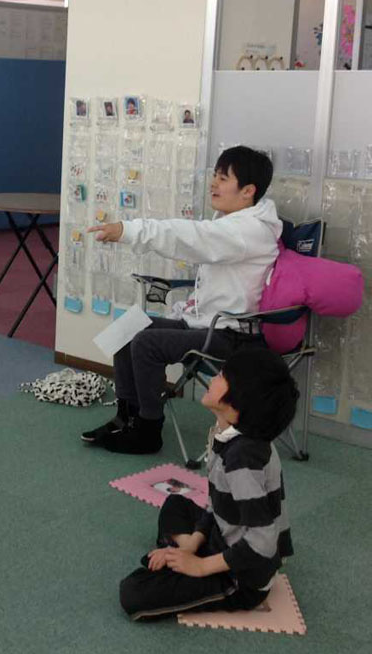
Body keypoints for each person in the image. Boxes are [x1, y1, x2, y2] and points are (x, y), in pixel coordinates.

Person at [83, 146, 280, 454]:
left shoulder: (247, 231)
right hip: (205, 324)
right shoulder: (232, 223)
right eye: (214, 176)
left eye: (223, 178)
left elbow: (185, 235)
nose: (213, 184)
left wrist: (127, 230)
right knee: (128, 328)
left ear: (248, 191)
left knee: (146, 343)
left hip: (234, 336)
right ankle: (127, 417)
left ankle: (148, 429)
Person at [119, 348, 298, 621]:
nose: (214, 378)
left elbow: (262, 541)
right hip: (225, 534)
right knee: (175, 503)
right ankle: (184, 552)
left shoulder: (243, 459)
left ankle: (192, 564)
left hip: (244, 576)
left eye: (222, 376)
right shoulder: (228, 435)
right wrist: (192, 544)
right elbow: (216, 506)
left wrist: (200, 566)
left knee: (133, 593)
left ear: (238, 403)